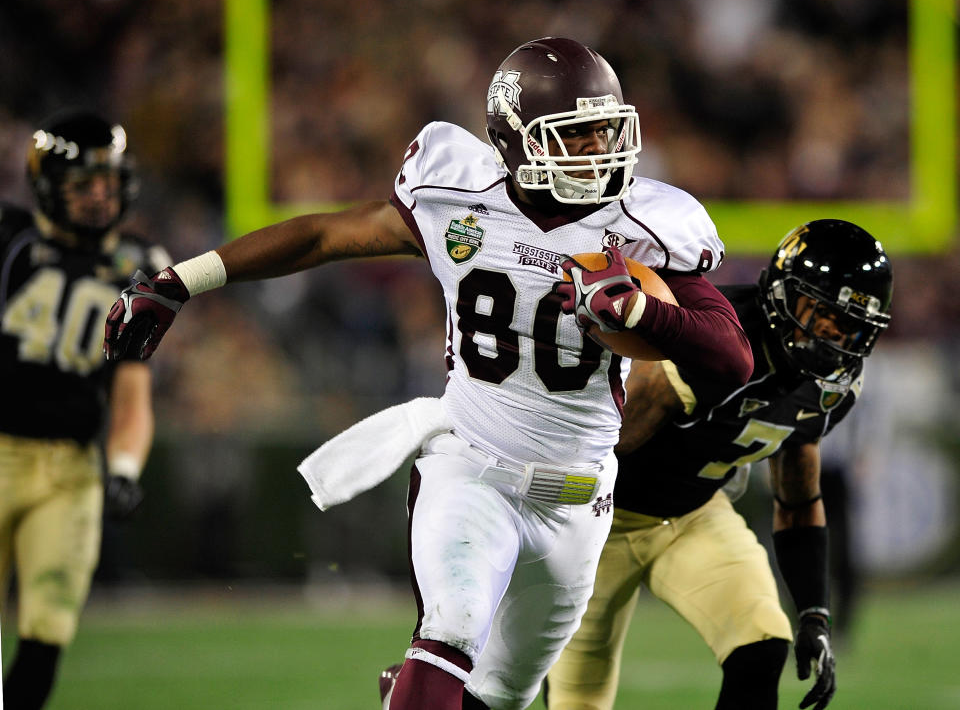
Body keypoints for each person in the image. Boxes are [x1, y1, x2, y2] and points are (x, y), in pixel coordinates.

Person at [102, 37, 754, 710]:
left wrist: (645, 311)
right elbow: (327, 235)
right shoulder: (456, 193)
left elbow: (732, 355)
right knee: (449, 630)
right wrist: (181, 280)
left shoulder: (646, 225)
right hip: (472, 467)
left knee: (500, 695)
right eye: (577, 135)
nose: (599, 151)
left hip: (580, 500)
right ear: (515, 141)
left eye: (606, 131)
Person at [544, 219, 893, 710]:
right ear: (782, 294)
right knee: (576, 700)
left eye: (849, 326)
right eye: (819, 314)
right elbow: (605, 444)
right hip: (600, 523)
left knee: (762, 645)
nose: (831, 338)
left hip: (693, 517)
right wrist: (540, 525)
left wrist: (814, 612)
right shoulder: (719, 336)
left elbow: (798, 500)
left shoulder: (833, 387)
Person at [1, 110, 170, 709]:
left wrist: (123, 469)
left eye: (108, 182)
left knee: (47, 632)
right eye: (83, 185)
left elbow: (131, 391)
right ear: (48, 186)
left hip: (69, 472)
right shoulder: (11, 240)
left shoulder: (137, 264)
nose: (100, 197)